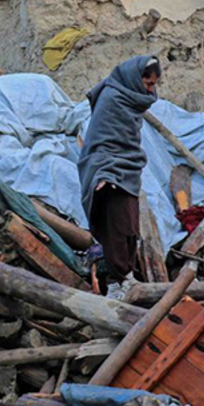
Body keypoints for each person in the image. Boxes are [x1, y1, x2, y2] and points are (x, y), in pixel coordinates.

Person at [78, 55, 161, 300]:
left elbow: (126, 142)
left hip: (127, 171)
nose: (150, 90)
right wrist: (104, 174)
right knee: (115, 229)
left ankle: (127, 277)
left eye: (153, 85)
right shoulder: (113, 98)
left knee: (130, 228)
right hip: (109, 174)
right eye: (147, 84)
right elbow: (101, 142)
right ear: (136, 80)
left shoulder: (130, 102)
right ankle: (117, 282)